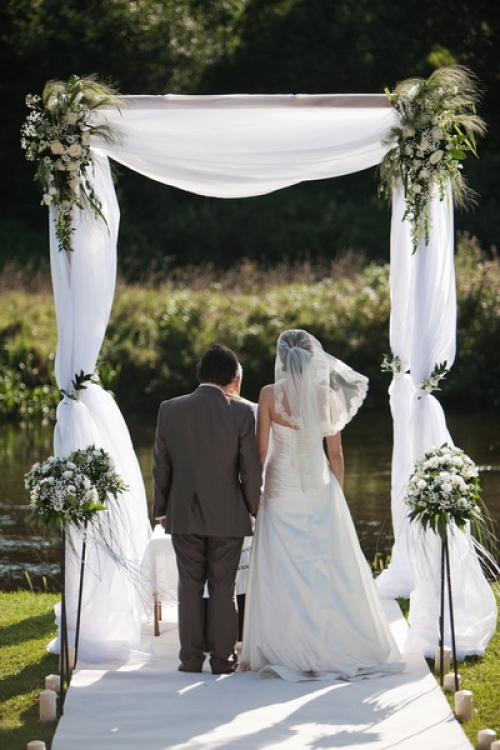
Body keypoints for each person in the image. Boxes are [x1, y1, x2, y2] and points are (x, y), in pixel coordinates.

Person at [240, 329, 405, 681]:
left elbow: (260, 452)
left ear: (281, 359)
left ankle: (286, 646)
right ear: (313, 358)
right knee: (324, 564)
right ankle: (331, 642)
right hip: (318, 487)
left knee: (283, 566)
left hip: (282, 488)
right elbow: (336, 454)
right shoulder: (327, 396)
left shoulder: (270, 395)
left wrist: (255, 492)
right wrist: (337, 495)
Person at [153, 344, 262, 675]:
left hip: (182, 513)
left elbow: (161, 466)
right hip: (228, 515)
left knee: (188, 587)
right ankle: (221, 660)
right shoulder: (241, 413)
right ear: (232, 379)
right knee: (223, 587)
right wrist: (254, 508)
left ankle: (189, 660)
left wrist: (161, 509)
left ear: (200, 373)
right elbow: (250, 470)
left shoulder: (169, 409)